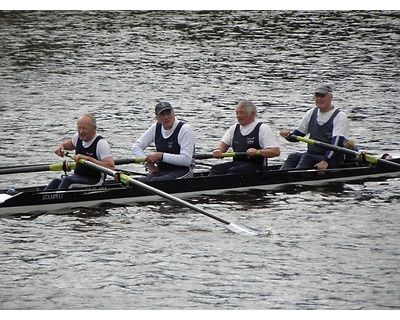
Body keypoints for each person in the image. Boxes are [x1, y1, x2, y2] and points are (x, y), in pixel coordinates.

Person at [279, 84, 349, 171]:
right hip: (312, 155)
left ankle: (292, 179)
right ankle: (278, 177)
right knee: (293, 157)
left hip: (333, 159)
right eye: (317, 96)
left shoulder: (340, 116)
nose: (319, 99)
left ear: (331, 97)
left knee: (307, 158)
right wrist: (288, 135)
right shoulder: (311, 113)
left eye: (322, 96)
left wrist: (325, 161)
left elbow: (337, 144)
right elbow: (297, 136)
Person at [208, 100, 280, 176]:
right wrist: (218, 150)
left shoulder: (262, 128)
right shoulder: (234, 128)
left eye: (242, 113)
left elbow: (275, 151)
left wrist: (257, 151)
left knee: (234, 171)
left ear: (252, 114)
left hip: (257, 167)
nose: (238, 116)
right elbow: (222, 146)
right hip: (237, 164)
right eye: (237, 113)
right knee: (216, 168)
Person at [45, 114, 115, 190]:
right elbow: (70, 144)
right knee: (56, 181)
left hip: (95, 180)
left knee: (68, 181)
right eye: (79, 128)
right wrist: (61, 146)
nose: (81, 131)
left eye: (84, 128)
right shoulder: (77, 137)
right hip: (78, 177)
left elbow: (110, 167)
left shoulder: (101, 143)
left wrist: (87, 159)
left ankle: (57, 200)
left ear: (94, 128)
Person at [131, 102, 196, 182]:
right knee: (140, 181)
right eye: (162, 115)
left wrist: (161, 156)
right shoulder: (155, 128)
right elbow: (136, 147)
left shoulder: (185, 129)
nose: (166, 117)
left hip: (183, 170)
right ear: (157, 118)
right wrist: (147, 164)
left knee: (156, 182)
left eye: (168, 113)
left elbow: (186, 160)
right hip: (161, 170)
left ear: (174, 113)